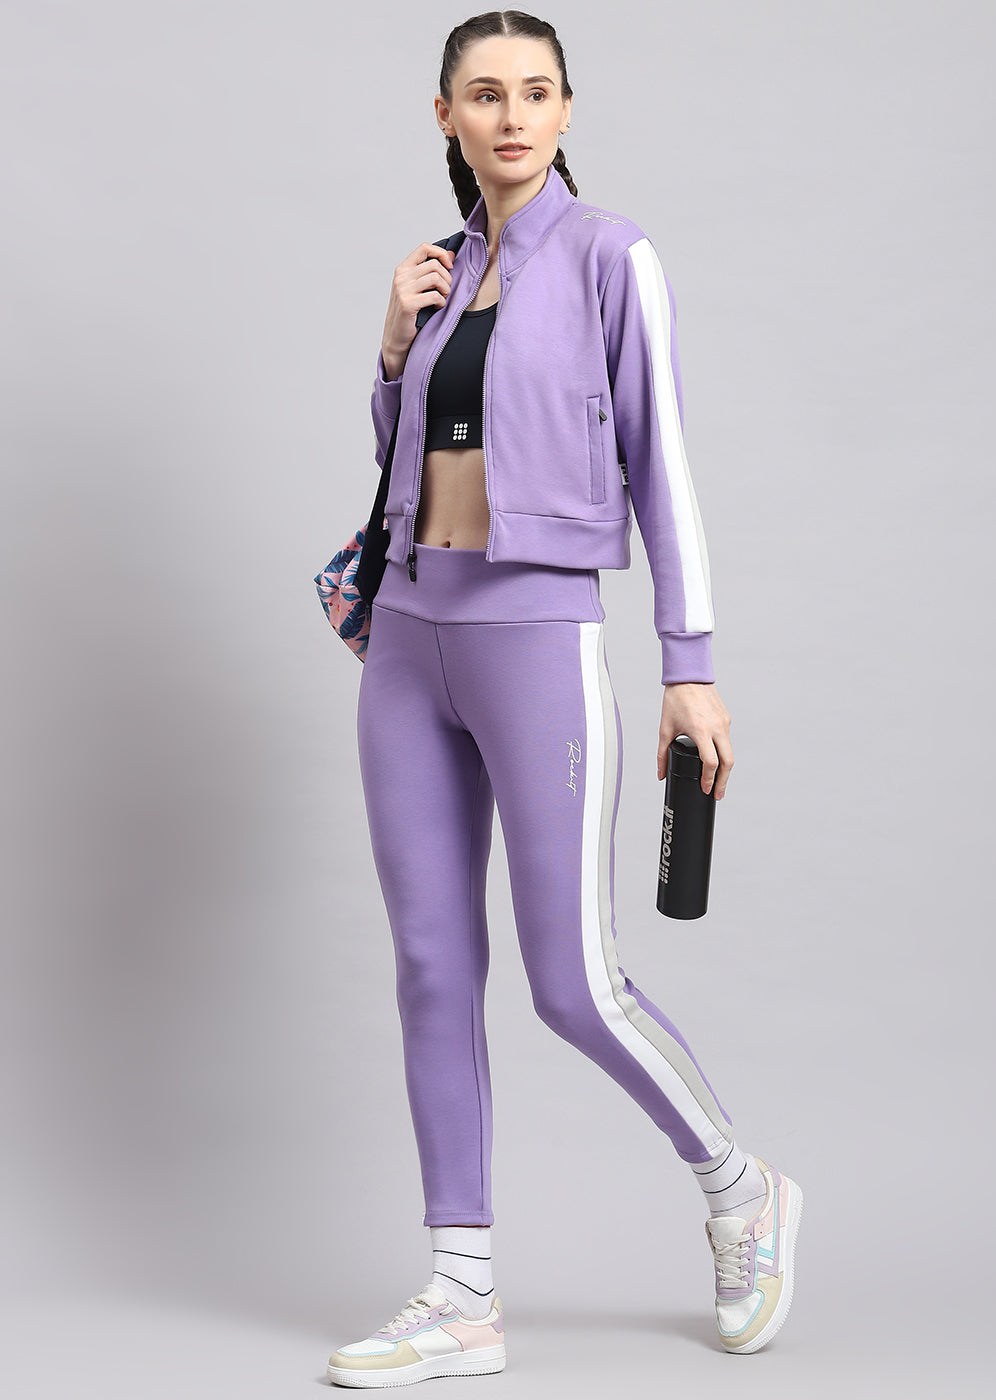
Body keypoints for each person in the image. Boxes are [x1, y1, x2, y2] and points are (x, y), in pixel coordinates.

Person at [327, 10, 802, 1388]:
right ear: (446, 117)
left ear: (567, 110)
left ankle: (740, 1189)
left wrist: (689, 664)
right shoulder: (439, 269)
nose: (513, 116)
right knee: (431, 964)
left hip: (534, 634)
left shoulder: (608, 255)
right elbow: (403, 462)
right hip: (408, 638)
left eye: (536, 92)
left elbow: (664, 460)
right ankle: (461, 1294)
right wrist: (391, 347)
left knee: (571, 983)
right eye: (485, 95)